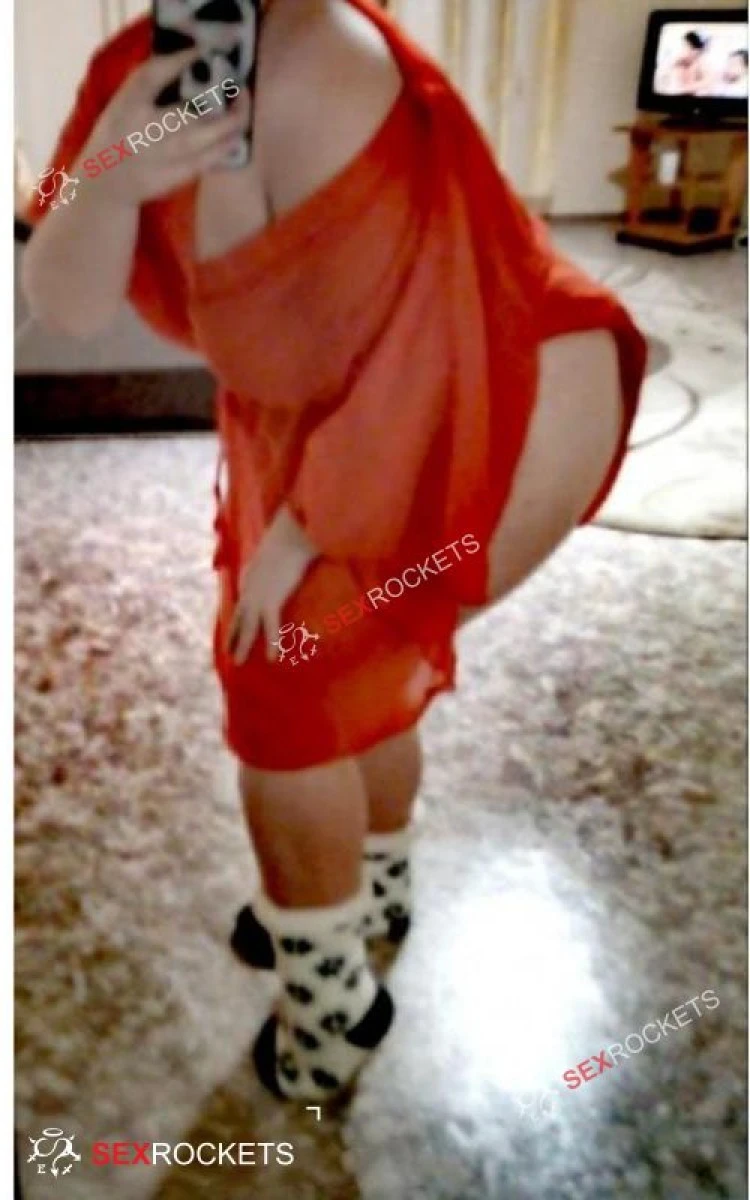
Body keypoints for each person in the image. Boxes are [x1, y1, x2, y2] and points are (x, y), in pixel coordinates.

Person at [22, 0, 646, 1102]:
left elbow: (417, 350)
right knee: (345, 676)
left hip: (468, 419)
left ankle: (330, 1008)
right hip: (315, 428)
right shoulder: (147, 67)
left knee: (285, 687)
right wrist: (112, 172)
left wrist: (310, 527)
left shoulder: (331, 62)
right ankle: (371, 890)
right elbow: (65, 303)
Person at [656, 29, 711, 96]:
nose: (685, 48)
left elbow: (707, 83)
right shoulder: (677, 60)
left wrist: (685, 88)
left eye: (688, 46)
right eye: (685, 45)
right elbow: (664, 77)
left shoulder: (701, 64)